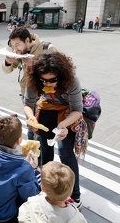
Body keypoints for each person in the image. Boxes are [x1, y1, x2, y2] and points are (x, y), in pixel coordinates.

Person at [24, 50, 83, 209]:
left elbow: (78, 109)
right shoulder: (34, 81)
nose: (47, 84)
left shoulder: (71, 82)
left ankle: (75, 195)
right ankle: (47, 188)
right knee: (45, 148)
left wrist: (63, 124)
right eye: (43, 80)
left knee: (65, 152)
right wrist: (31, 117)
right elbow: (28, 104)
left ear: (61, 75)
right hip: (46, 110)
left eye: (52, 80)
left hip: (67, 112)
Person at [0, 115, 41, 223]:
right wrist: (33, 169)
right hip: (1, 215)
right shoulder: (24, 169)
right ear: (19, 140)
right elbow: (30, 196)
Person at [18, 161, 87, 223]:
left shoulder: (32, 203)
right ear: (70, 192)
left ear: (42, 187)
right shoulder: (76, 217)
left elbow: (23, 217)